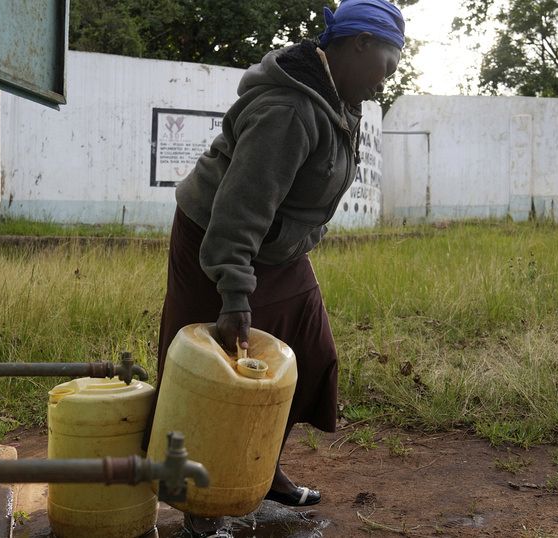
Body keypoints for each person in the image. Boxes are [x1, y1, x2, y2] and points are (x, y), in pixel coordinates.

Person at [153, 1, 404, 535]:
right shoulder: (291, 109)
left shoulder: (339, 97)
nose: (386, 81)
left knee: (311, 357)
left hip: (279, 249)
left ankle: (261, 468)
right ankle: (203, 503)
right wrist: (235, 293)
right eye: (386, 65)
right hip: (219, 242)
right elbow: (239, 208)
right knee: (214, 374)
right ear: (358, 44)